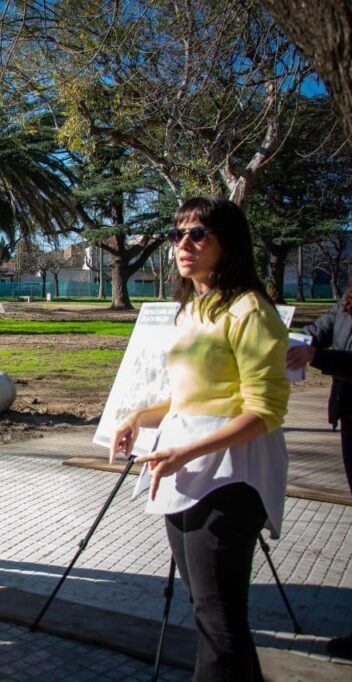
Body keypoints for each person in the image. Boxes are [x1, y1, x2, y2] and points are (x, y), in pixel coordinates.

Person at [109, 196, 290, 680]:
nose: (183, 245)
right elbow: (187, 397)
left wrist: (186, 450)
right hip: (184, 469)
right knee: (208, 611)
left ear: (226, 243)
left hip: (231, 476)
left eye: (198, 234)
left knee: (219, 619)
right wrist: (137, 418)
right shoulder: (193, 308)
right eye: (176, 235)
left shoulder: (250, 310)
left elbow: (265, 411)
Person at [286, 283, 352, 660]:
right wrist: (297, 339)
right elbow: (322, 327)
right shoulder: (348, 297)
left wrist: (318, 357)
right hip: (349, 412)